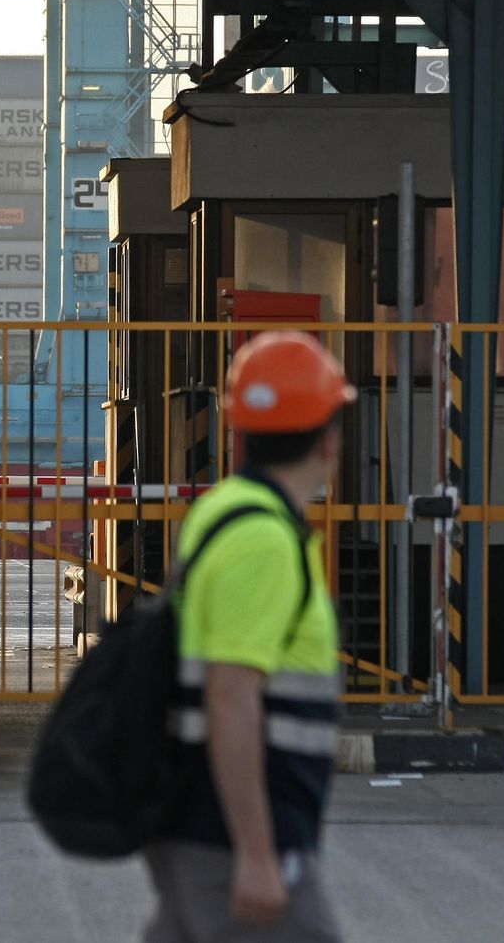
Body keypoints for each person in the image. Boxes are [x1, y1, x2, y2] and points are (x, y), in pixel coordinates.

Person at [145, 331, 352, 942]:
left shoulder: (225, 507)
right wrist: (258, 853)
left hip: (197, 820)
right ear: (328, 438)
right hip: (231, 834)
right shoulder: (262, 539)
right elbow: (229, 694)